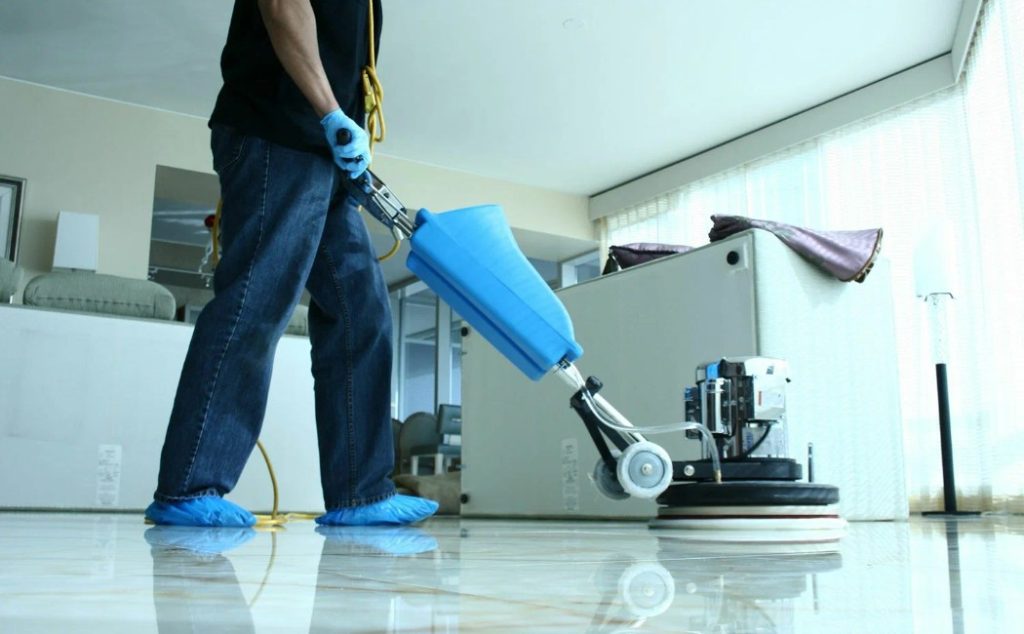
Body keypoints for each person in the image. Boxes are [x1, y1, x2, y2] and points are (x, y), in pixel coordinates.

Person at [145, 0, 437, 527]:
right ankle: (188, 485)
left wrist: (344, 136)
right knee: (258, 298)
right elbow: (282, 6)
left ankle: (362, 493)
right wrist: (330, 113)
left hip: (325, 155)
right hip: (278, 134)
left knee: (362, 313)